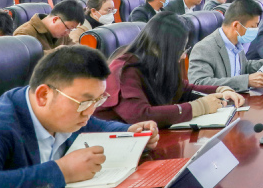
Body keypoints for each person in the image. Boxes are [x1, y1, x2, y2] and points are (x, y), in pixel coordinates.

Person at [0, 46, 158, 188]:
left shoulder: (67, 112)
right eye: (84, 102)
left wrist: (130, 133)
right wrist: (63, 172)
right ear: (43, 96)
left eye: (97, 101)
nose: (89, 112)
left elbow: (99, 127)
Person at [95, 13, 244, 127]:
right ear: (158, 48)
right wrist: (199, 107)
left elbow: (183, 89)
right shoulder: (124, 70)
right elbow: (140, 115)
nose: (183, 56)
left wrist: (220, 90)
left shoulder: (153, 61)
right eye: (179, 50)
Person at [187, 0, 263, 91]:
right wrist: (246, 81)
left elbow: (244, 67)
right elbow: (199, 83)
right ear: (236, 25)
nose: (256, 29)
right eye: (253, 26)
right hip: (221, 99)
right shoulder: (204, 48)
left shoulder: (236, 43)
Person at [14, 0, 85, 52]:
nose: (68, 33)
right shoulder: (24, 33)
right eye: (68, 28)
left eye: (71, 30)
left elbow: (74, 47)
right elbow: (27, 60)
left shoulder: (62, 33)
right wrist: (57, 52)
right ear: (55, 19)